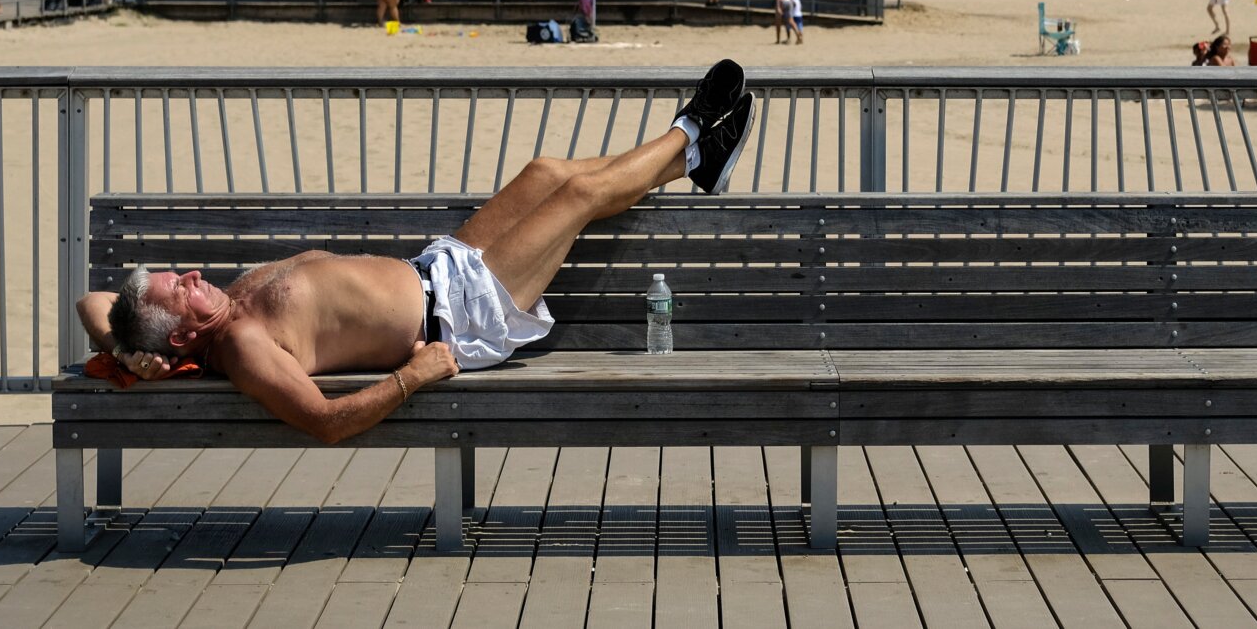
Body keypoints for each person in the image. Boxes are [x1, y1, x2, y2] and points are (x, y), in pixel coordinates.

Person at [74, 60, 758, 444]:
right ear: (189, 329)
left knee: (549, 172)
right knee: (577, 195)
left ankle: (692, 162)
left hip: (442, 268)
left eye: (179, 274)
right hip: (461, 320)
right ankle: (692, 130)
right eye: (180, 288)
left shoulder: (205, 317)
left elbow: (94, 302)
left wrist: (136, 350)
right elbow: (325, 421)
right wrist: (416, 376)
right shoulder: (245, 346)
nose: (193, 275)